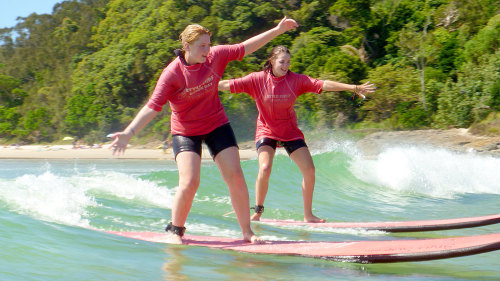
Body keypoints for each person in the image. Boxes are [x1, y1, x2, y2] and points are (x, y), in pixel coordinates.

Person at [109, 18, 298, 244]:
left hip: (216, 123)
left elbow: (246, 47)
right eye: (202, 46)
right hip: (185, 131)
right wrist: (129, 133)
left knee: (236, 177)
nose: (207, 51)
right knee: (190, 182)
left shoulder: (215, 56)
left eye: (209, 45)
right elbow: (152, 106)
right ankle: (176, 230)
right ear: (186, 46)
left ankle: (247, 232)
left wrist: (277, 30)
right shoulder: (172, 74)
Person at [218, 45, 375, 222]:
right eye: (282, 62)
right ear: (271, 61)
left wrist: (352, 87)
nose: (286, 66)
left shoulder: (296, 80)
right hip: (266, 129)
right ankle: (258, 212)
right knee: (265, 167)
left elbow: (323, 84)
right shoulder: (257, 80)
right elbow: (226, 84)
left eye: (288, 62)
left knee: (310, 170)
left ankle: (308, 215)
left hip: (290, 131)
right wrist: (201, 85)